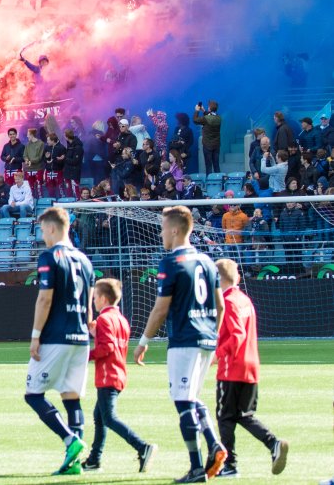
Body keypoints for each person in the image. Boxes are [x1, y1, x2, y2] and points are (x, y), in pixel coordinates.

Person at [135, 205, 227, 483]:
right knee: (193, 398)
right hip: (206, 340)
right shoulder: (209, 262)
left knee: (183, 402)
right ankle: (213, 445)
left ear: (175, 230)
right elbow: (221, 305)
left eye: (163, 228)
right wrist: (214, 337)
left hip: (185, 341)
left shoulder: (171, 263)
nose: (161, 233)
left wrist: (143, 340)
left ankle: (198, 467)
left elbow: (161, 309)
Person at [23, 206, 93, 476]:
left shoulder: (49, 257)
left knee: (33, 394)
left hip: (56, 336)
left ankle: (69, 440)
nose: (43, 236)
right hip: (80, 337)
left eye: (43, 230)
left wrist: (35, 336)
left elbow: (45, 298)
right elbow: (88, 304)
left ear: (52, 228)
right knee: (71, 396)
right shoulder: (84, 260)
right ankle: (73, 463)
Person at [213, 258, 288, 477]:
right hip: (251, 365)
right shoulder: (244, 299)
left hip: (232, 367)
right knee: (244, 414)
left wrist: (217, 355)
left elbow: (237, 335)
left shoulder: (227, 301)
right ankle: (273, 443)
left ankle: (230, 465)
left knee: (225, 416)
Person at [82, 277, 155, 473]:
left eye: (96, 297)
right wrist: (96, 333)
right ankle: (94, 459)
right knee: (99, 417)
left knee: (109, 418)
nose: (94, 300)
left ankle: (142, 447)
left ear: (104, 299)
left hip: (108, 375)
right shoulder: (120, 319)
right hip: (118, 373)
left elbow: (107, 347)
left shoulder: (104, 319)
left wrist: (85, 355)